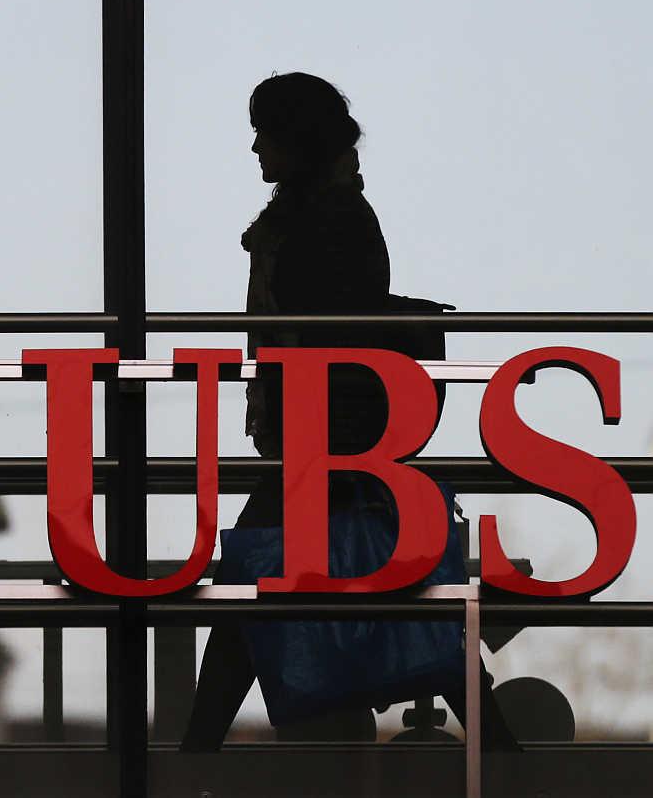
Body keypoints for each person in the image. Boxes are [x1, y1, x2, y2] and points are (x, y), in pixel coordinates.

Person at [180, 72, 516, 750]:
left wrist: (324, 450)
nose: (253, 146)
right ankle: (505, 752)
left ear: (294, 139)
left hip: (323, 445)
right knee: (393, 598)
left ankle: (188, 762)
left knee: (251, 589)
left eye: (265, 131)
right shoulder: (321, 213)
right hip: (327, 445)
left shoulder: (324, 220)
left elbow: (328, 340)